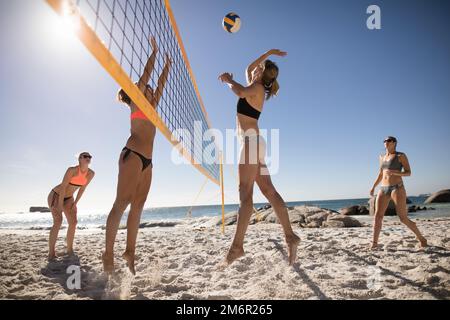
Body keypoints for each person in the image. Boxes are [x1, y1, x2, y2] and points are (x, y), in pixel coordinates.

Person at [218, 49, 300, 266]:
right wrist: (270, 52)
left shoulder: (254, 88)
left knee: (245, 194)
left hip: (251, 144)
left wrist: (228, 80)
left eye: (259, 67)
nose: (255, 66)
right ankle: (290, 236)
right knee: (269, 191)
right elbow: (248, 67)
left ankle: (237, 247)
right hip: (257, 144)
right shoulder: (258, 86)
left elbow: (239, 92)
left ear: (262, 73)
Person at [103, 36, 172, 274]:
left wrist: (169, 65)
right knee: (120, 204)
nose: (152, 90)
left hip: (148, 161)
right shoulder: (138, 103)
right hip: (132, 154)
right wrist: (154, 52)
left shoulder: (152, 108)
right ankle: (108, 254)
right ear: (138, 92)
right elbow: (147, 75)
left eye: (152, 90)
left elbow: (160, 83)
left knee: (138, 206)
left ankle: (129, 251)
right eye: (147, 88)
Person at [370, 136, 427, 249]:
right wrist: (373, 187)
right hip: (383, 188)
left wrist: (395, 173)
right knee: (377, 216)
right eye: (385, 141)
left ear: (394, 143)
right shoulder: (381, 157)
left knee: (403, 218)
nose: (386, 142)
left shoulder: (400, 156)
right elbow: (381, 174)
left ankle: (421, 238)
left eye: (389, 140)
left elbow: (408, 172)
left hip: (397, 188)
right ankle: (374, 243)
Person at [47, 152, 95, 260]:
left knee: (73, 222)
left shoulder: (91, 173)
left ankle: (69, 250)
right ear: (80, 159)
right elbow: (63, 187)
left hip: (69, 198)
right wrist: (59, 205)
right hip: (56, 195)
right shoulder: (72, 170)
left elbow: (82, 189)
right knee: (58, 222)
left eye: (90, 157)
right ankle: (51, 253)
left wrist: (75, 203)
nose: (88, 158)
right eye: (85, 156)